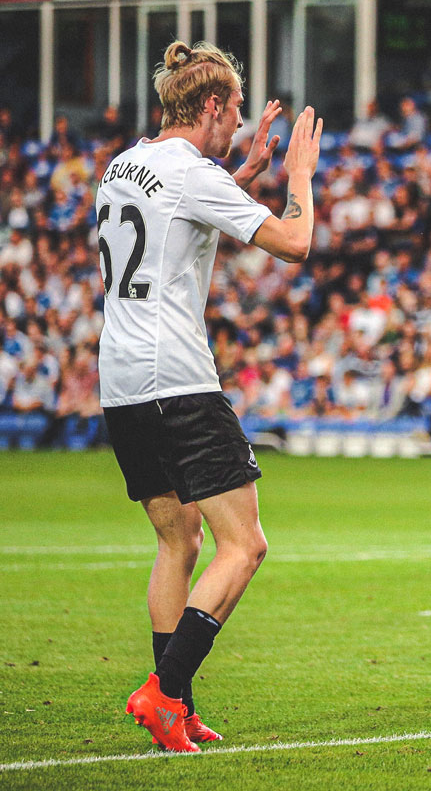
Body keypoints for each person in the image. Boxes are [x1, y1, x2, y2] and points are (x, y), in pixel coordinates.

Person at [96, 40, 322, 752]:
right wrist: (297, 179)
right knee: (243, 544)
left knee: (178, 540)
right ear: (216, 107)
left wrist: (240, 171)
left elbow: (177, 217)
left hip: (122, 381)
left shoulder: (123, 163)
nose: (241, 124)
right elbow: (294, 243)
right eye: (237, 113)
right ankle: (164, 692)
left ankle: (179, 710)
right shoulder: (193, 174)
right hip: (180, 382)